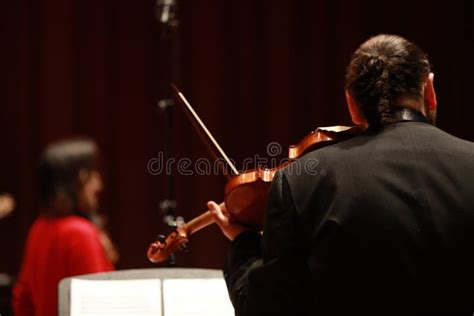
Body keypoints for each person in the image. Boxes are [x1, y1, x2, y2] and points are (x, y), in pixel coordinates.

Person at [207, 34, 474, 315]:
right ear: (429, 89)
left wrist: (243, 244)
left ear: (352, 105)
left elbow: (264, 309)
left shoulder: (302, 182)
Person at [13, 139, 116, 316]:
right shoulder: (80, 232)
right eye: (92, 175)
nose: (99, 185)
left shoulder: (38, 228)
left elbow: (22, 300)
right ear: (78, 179)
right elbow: (100, 305)